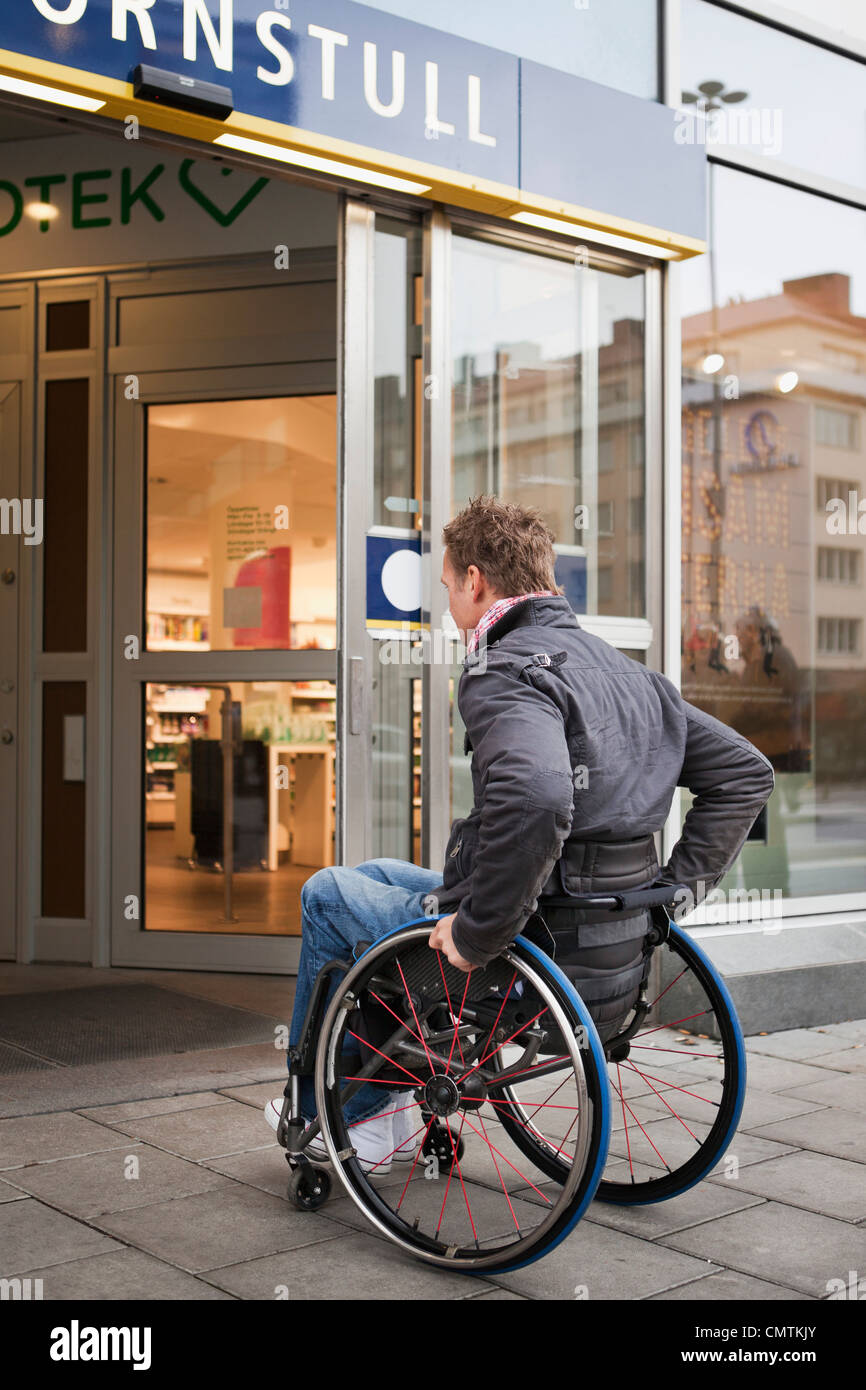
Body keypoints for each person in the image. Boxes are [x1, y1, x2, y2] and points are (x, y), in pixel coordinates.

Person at [265, 495, 775, 1170]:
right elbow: (747, 773)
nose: (449, 605)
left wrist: (478, 933)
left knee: (329, 894)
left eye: (448, 588)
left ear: (475, 581)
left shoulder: (501, 669)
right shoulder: (632, 675)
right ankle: (378, 1101)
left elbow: (538, 799)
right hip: (606, 945)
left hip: (529, 945)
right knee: (385, 876)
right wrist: (668, 896)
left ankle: (326, 1110)